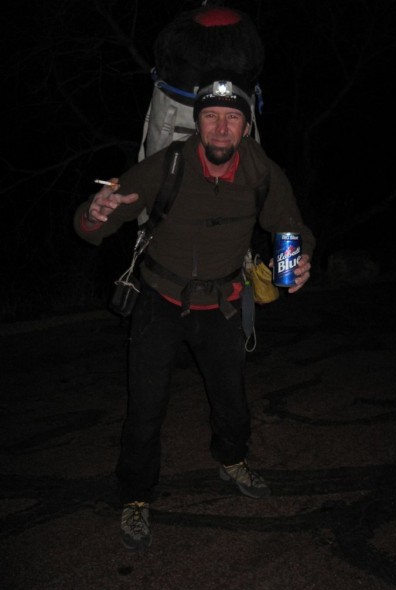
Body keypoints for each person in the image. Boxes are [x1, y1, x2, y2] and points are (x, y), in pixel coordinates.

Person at [74, 76, 315, 551]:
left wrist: (302, 256)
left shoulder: (262, 171)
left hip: (223, 303)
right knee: (145, 407)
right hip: (159, 300)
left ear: (246, 127)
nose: (221, 129)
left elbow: (292, 227)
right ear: (197, 123)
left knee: (231, 399)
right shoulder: (168, 165)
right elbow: (95, 225)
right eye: (211, 116)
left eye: (232, 118)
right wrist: (95, 210)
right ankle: (136, 496)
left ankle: (232, 459)